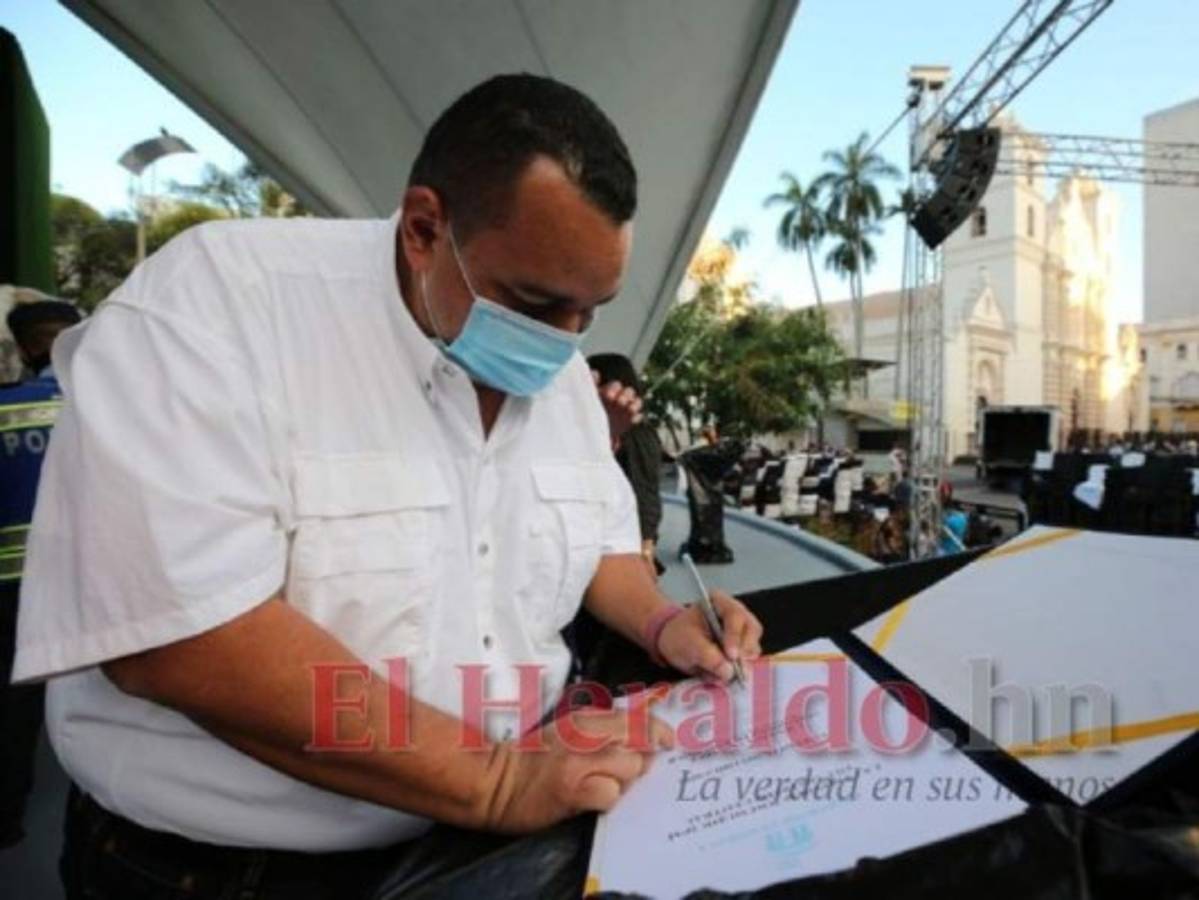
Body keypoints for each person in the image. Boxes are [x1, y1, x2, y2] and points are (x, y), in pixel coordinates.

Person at [13, 75, 764, 898]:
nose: (562, 343)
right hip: (227, 873)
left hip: (490, 848)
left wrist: (662, 622)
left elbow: (599, 545)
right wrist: (493, 779)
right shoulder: (217, 308)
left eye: (590, 312)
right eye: (535, 303)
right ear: (423, 229)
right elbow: (178, 639)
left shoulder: (562, 379)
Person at [0, 298, 81, 848]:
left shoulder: (8, 408)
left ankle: (6, 817)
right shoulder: (105, 405)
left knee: (14, 705)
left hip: (11, 588)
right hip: (84, 579)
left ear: (26, 349)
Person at [587, 353, 662, 577]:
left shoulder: (635, 435)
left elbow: (645, 491)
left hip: (625, 549)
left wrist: (645, 549)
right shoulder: (617, 432)